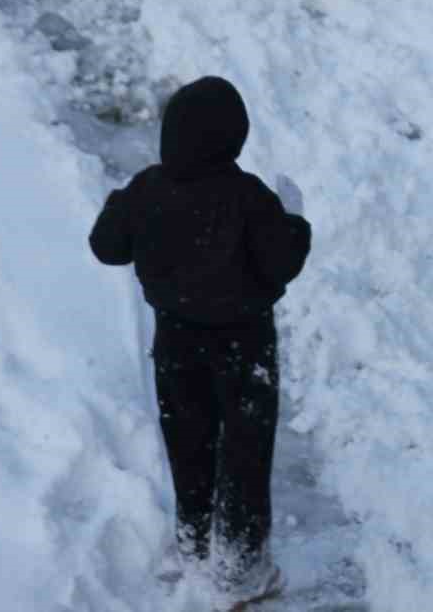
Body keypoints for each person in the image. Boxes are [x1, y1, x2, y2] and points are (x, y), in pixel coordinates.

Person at [89, 76, 311, 605]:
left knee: (189, 440)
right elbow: (283, 261)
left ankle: (194, 541)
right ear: (233, 138)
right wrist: (295, 221)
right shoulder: (249, 197)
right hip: (245, 347)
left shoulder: (148, 190)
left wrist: (123, 203)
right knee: (244, 451)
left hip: (176, 344)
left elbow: (106, 246)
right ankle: (240, 569)